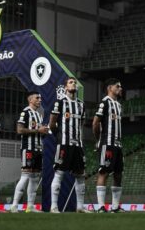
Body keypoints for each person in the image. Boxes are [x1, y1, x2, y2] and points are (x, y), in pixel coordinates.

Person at [49, 77, 91, 213]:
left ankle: (80, 207)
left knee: (80, 175)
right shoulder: (59, 103)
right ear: (66, 87)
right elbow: (52, 123)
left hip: (77, 145)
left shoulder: (81, 105)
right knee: (59, 173)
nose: (73, 84)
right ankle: (54, 206)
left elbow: (82, 124)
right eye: (71, 82)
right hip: (64, 144)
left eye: (75, 83)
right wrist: (59, 136)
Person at [10, 91, 49, 213]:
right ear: (30, 100)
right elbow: (19, 130)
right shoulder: (25, 112)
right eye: (37, 98)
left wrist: (43, 132)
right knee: (25, 176)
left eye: (40, 98)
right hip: (28, 148)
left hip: (38, 148)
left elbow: (38, 132)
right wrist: (38, 130)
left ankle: (30, 206)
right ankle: (14, 206)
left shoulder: (38, 115)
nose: (40, 100)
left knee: (35, 178)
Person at [93, 78, 124, 213]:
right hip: (107, 143)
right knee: (104, 172)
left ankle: (115, 207)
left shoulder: (118, 105)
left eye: (120, 86)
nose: (120, 88)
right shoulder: (105, 102)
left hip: (118, 144)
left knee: (118, 174)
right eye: (117, 86)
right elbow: (95, 122)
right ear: (109, 88)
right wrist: (99, 139)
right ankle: (100, 206)